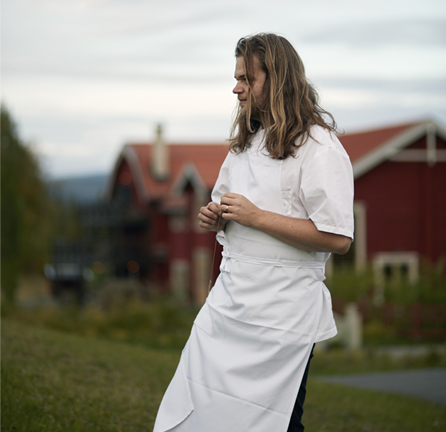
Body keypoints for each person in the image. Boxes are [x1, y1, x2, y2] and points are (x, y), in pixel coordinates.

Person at [153, 33, 354, 432]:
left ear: (277, 79)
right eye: (236, 77)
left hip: (283, 317)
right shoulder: (245, 145)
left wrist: (255, 216)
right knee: (194, 406)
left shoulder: (320, 147)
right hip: (229, 306)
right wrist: (217, 216)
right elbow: (231, 210)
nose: (236, 87)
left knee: (274, 424)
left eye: (247, 78)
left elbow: (338, 238)